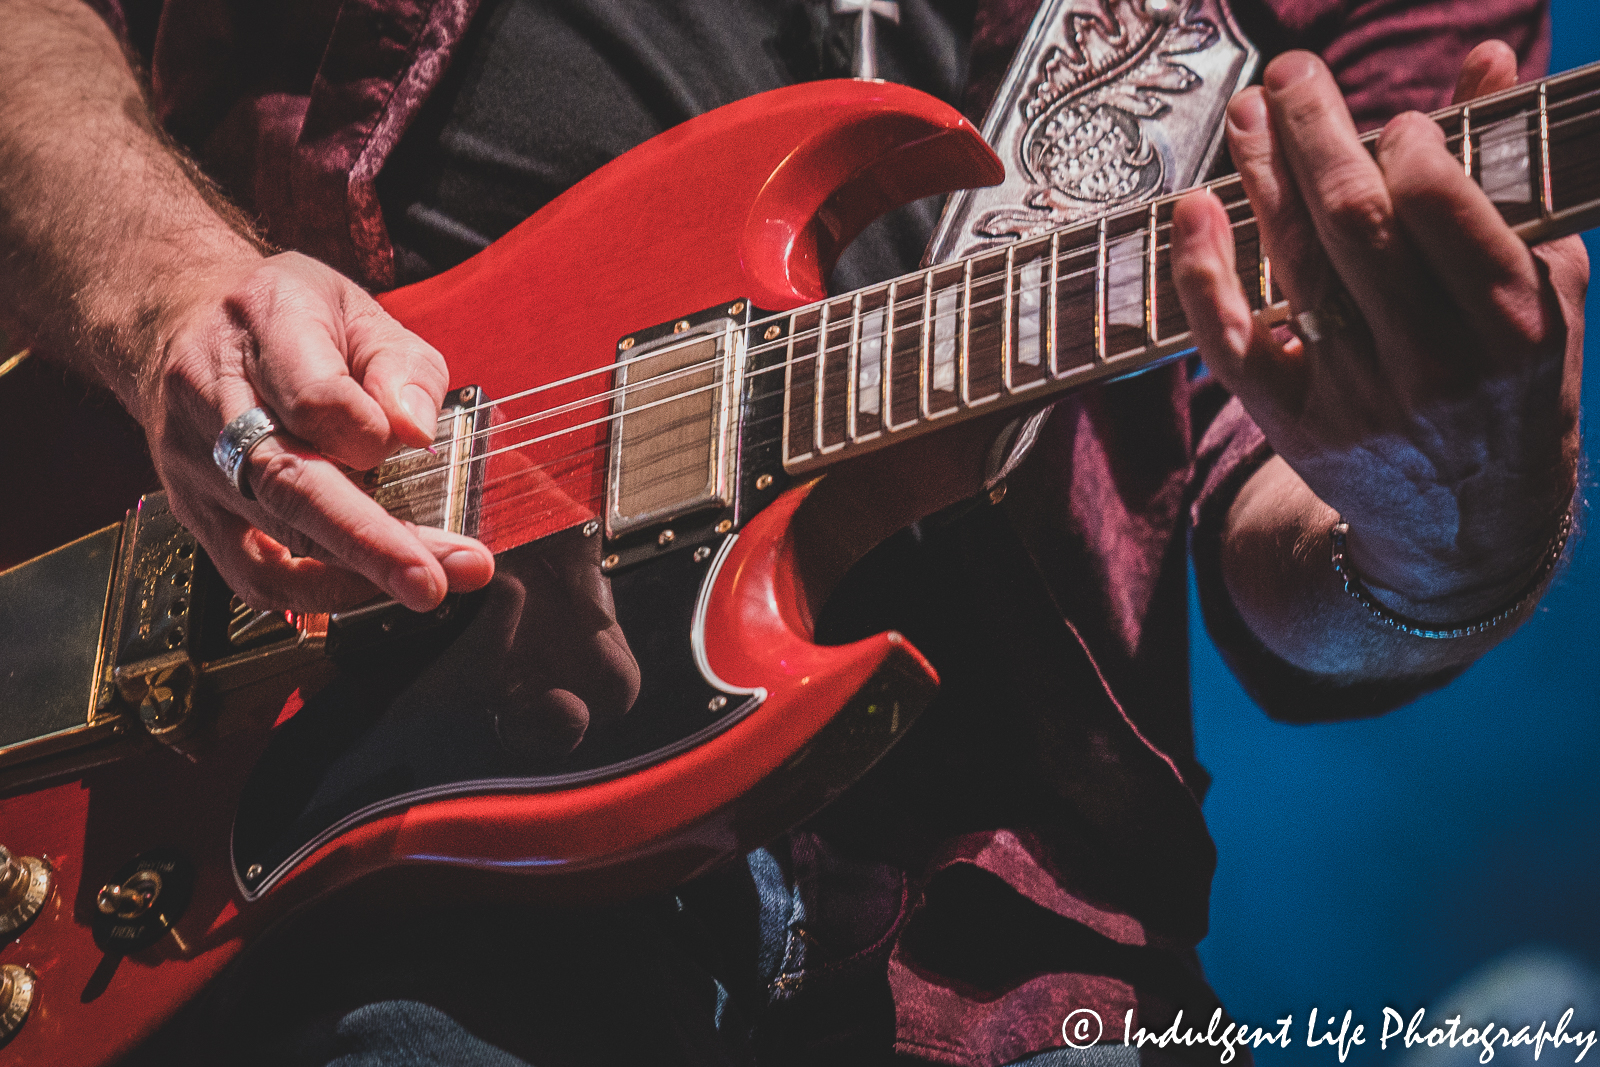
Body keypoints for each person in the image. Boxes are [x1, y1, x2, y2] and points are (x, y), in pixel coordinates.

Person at [0, 0, 1583, 1065]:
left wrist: (1446, 520)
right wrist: (162, 299)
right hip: (271, 761)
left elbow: (1291, 526)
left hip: (979, 935)